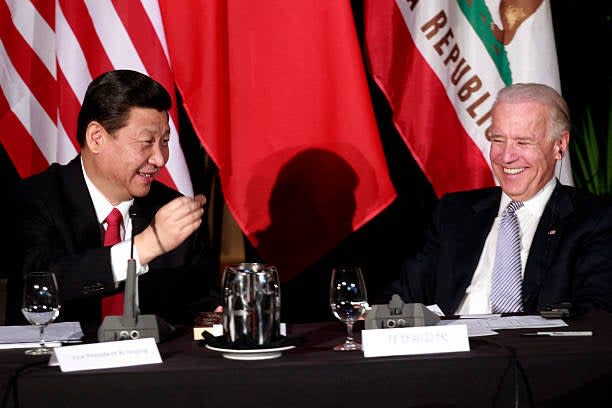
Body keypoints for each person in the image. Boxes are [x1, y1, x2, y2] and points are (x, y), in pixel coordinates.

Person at [7, 69, 220, 333]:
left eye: (164, 142)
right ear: (96, 137)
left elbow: (200, 305)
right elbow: (41, 284)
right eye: (146, 142)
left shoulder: (172, 210)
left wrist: (218, 315)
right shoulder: (37, 198)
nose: (160, 159)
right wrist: (143, 247)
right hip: (55, 368)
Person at [391, 82, 612, 316]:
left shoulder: (593, 221)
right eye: (498, 140)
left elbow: (595, 315)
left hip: (534, 351)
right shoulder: (454, 213)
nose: (506, 156)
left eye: (522, 142)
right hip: (450, 347)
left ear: (560, 144)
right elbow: (401, 299)